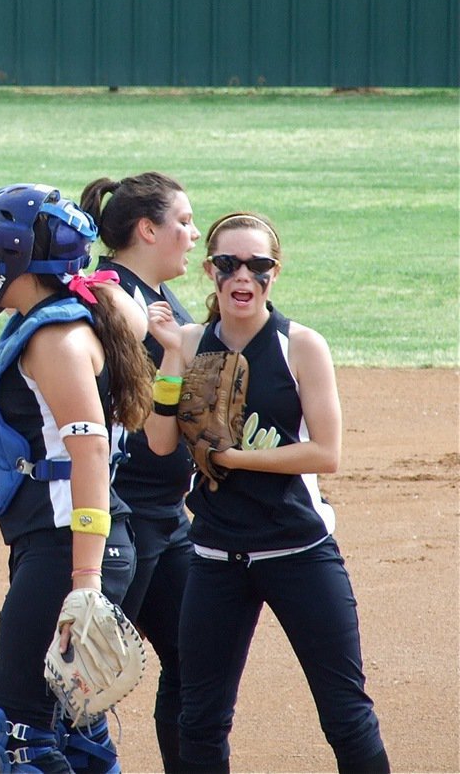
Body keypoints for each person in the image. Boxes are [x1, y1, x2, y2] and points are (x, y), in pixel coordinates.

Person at [0, 129, 153, 774]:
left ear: (19, 262)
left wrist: (83, 584)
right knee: (76, 742)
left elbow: (85, 458)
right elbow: (11, 235)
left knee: (20, 744)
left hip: (69, 552)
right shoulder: (85, 304)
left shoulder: (55, 341)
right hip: (71, 546)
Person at [144, 211, 390, 774]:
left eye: (259, 266)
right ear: (210, 270)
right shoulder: (187, 340)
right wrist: (173, 357)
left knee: (345, 715)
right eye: (229, 264)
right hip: (215, 558)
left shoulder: (301, 346)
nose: (243, 277)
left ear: (275, 273)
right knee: (200, 721)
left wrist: (235, 459)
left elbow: (326, 453)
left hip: (298, 551)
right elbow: (160, 442)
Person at [78, 173, 199, 774]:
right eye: (183, 221)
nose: (194, 234)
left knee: (191, 658)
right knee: (85, 671)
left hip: (167, 516)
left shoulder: (152, 294)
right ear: (147, 229)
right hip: (126, 518)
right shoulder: (111, 295)